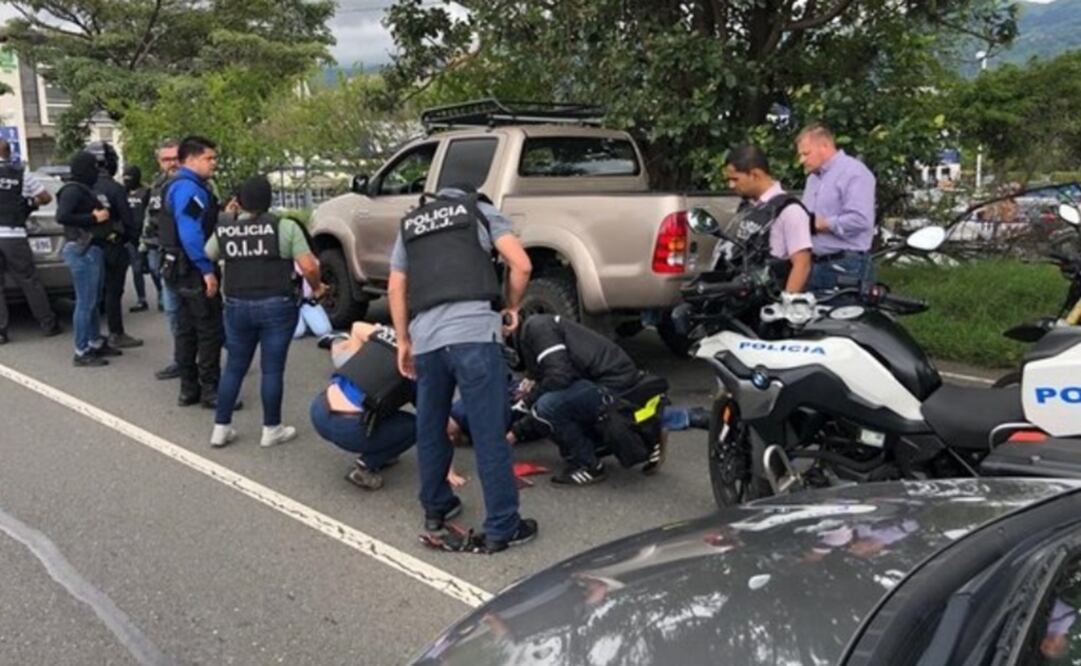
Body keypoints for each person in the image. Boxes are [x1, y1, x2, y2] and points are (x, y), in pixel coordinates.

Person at [388, 184, 537, 553]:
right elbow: (522, 264)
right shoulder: (479, 212)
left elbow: (396, 286)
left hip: (427, 340)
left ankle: (436, 509)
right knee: (488, 432)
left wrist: (404, 340)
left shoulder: (411, 224)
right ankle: (503, 525)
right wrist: (512, 307)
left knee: (431, 425)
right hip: (474, 334)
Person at [203, 175, 324, 447]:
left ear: (240, 200)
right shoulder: (285, 227)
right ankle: (271, 429)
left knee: (234, 366)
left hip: (236, 304)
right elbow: (309, 266)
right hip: (277, 304)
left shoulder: (227, 227)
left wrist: (229, 218)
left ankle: (221, 428)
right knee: (272, 369)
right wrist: (316, 287)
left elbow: (208, 253)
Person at [511, 313, 642, 485]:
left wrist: (526, 404)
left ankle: (588, 465)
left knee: (547, 406)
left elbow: (559, 377)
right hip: (605, 380)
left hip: (613, 384)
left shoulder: (537, 327)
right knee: (550, 404)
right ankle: (597, 445)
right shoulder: (534, 331)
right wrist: (517, 431)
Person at [159, 135, 227, 408]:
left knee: (186, 330)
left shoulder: (176, 185)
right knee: (208, 329)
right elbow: (190, 232)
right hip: (192, 269)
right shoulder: (190, 188)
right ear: (191, 159)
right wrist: (206, 269)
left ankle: (188, 389)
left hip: (176, 267)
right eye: (209, 158)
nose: (214, 164)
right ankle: (210, 390)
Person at [796, 123, 877, 292]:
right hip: (814, 263)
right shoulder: (813, 178)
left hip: (846, 264)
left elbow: (861, 220)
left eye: (806, 153)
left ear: (824, 146)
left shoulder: (854, 173)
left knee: (841, 315)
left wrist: (821, 224)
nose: (802, 160)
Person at [723, 144, 813, 293]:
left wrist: (786, 305)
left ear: (755, 175)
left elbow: (802, 265)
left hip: (770, 299)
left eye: (735, 179)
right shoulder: (750, 206)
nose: (731, 185)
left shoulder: (790, 210)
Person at [56, 151, 117, 366]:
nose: (96, 171)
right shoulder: (72, 190)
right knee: (85, 303)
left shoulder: (83, 189)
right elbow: (62, 216)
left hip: (91, 248)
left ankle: (94, 342)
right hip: (82, 250)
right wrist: (94, 217)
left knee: (93, 301)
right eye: (93, 167)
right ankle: (81, 351)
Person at [0, 138, 61, 344]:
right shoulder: (21, 175)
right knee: (29, 280)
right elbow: (45, 197)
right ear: (9, 154)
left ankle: (1, 332)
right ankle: (47, 323)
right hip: (14, 235)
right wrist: (29, 204)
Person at [88, 141, 142, 349]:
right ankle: (116, 332)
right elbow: (128, 220)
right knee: (113, 291)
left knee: (90, 294)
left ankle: (92, 337)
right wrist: (131, 239)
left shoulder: (84, 186)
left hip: (89, 245)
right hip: (113, 245)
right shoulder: (115, 188)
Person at [141, 139, 182, 380]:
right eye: (166, 159)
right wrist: (143, 245)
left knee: (201, 311)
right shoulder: (156, 186)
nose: (171, 163)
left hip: (184, 254)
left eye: (175, 158)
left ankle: (231, 351)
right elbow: (149, 218)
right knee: (172, 309)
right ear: (159, 162)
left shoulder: (193, 183)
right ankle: (180, 359)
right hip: (159, 251)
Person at [123, 165, 157, 313]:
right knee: (136, 269)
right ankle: (141, 299)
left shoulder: (146, 192)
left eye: (129, 178)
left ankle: (161, 295)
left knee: (154, 268)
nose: (127, 181)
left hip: (147, 236)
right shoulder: (122, 193)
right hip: (130, 237)